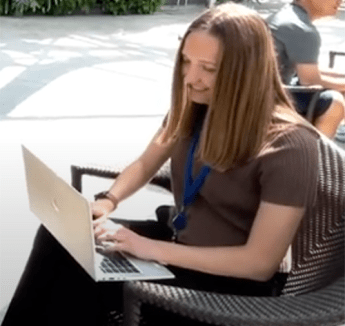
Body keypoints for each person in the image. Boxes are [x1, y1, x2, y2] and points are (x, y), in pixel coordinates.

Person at [3, 3, 321, 326]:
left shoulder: (290, 146)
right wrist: (108, 200)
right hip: (175, 244)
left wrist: (148, 248)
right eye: (186, 61)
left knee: (82, 283)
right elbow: (145, 163)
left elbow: (259, 263)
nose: (191, 78)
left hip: (227, 287)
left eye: (208, 68)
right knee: (61, 239)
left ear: (246, 72)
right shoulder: (197, 108)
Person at [266, 0, 345, 140]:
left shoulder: (288, 15)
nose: (340, 1)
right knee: (336, 101)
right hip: (271, 100)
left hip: (267, 89)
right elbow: (310, 81)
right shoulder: (301, 28)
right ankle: (318, 156)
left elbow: (311, 72)